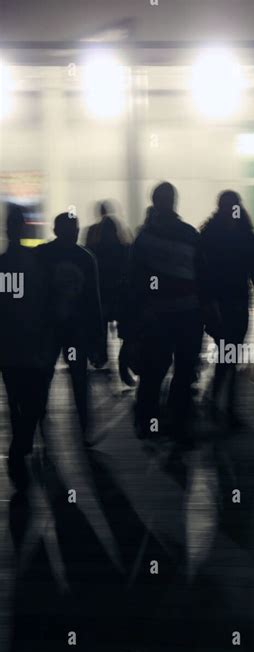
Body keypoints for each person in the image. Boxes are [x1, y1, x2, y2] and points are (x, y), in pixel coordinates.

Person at [121, 183, 204, 443]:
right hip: (187, 314)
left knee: (153, 372)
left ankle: (149, 422)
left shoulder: (144, 239)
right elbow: (202, 276)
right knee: (183, 370)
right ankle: (178, 421)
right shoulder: (190, 234)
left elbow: (134, 283)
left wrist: (132, 324)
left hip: (156, 316)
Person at [199, 190, 254, 428]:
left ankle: (218, 402)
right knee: (230, 355)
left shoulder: (208, 234)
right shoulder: (245, 235)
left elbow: (201, 273)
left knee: (227, 354)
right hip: (237, 303)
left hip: (216, 304)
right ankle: (227, 407)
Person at [38, 213, 105, 440]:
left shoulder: (43, 255)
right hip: (77, 330)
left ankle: (39, 422)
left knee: (44, 376)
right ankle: (85, 426)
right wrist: (99, 341)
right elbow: (94, 302)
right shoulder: (85, 258)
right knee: (79, 378)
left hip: (50, 327)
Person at [0, 205, 54, 486]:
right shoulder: (36, 263)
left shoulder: (3, 265)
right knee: (33, 400)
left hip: (9, 344)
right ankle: (21, 442)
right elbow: (44, 303)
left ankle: (20, 444)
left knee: (16, 399)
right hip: (31, 342)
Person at [85, 201, 132, 375]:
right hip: (118, 295)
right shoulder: (124, 245)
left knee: (101, 327)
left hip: (102, 294)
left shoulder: (93, 241)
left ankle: (100, 357)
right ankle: (123, 360)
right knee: (123, 330)